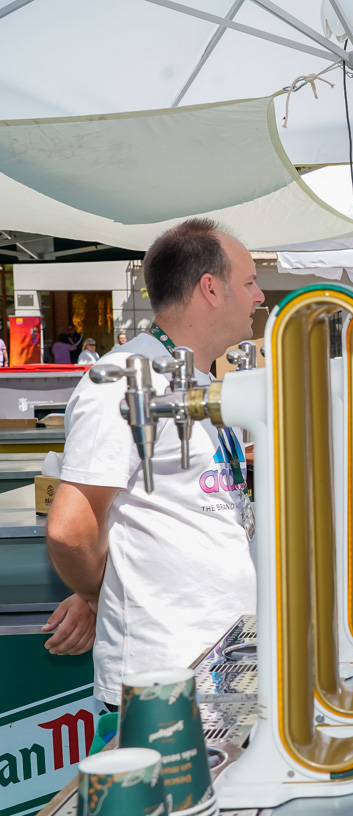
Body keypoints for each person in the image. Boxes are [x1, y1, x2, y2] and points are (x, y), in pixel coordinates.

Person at [44, 218, 263, 708]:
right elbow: (70, 529)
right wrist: (100, 594)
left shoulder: (194, 378)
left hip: (224, 660)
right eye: (249, 282)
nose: (260, 296)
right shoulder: (124, 378)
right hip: (166, 677)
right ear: (210, 288)